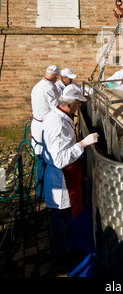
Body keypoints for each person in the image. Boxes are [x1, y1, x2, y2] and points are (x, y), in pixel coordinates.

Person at [42, 84, 99, 271]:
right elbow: (60, 160)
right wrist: (83, 143)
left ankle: (63, 251)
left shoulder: (57, 115)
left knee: (62, 220)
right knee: (59, 221)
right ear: (69, 104)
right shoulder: (58, 123)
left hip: (64, 175)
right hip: (61, 178)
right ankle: (60, 259)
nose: (79, 107)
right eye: (77, 104)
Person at [31, 65, 60, 195]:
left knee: (39, 156)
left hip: (37, 123)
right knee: (46, 157)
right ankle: (43, 190)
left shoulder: (37, 85)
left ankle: (39, 189)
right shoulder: (50, 87)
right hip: (45, 125)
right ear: (55, 76)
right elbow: (55, 108)